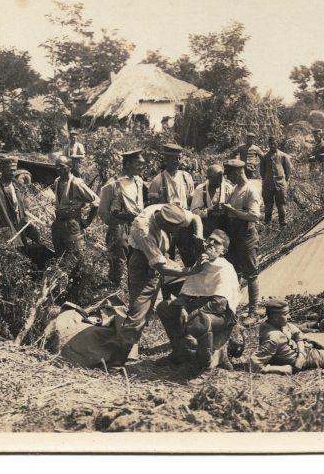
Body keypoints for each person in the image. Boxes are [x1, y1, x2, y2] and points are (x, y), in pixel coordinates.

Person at [107, 204, 206, 366]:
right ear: (162, 224)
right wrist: (191, 270)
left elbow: (195, 218)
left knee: (195, 290)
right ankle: (117, 362)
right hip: (143, 265)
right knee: (138, 316)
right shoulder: (144, 230)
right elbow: (162, 269)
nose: (175, 233)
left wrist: (199, 238)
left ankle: (183, 345)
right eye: (173, 230)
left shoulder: (171, 212)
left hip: (162, 258)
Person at [155, 229, 242, 372]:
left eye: (217, 242)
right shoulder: (200, 263)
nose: (211, 244)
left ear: (223, 251)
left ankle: (204, 363)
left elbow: (219, 305)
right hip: (200, 309)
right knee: (165, 307)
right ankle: (180, 351)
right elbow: (186, 292)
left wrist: (191, 313)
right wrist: (183, 308)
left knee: (200, 319)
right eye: (210, 240)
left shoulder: (225, 268)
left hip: (220, 316)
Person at [97, 150, 147, 287]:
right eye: (138, 164)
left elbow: (140, 206)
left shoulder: (138, 181)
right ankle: (114, 294)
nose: (141, 167)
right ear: (128, 164)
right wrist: (115, 226)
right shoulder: (112, 184)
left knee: (135, 263)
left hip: (135, 227)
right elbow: (102, 211)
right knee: (117, 264)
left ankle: (131, 293)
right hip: (118, 228)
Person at [221, 159, 263, 322]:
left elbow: (254, 216)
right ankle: (232, 307)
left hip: (246, 234)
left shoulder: (250, 190)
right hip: (233, 234)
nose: (229, 178)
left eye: (230, 174)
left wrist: (232, 210)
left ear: (238, 172)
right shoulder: (234, 189)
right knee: (233, 271)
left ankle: (253, 311)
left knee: (251, 273)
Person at [148, 143, 198, 266]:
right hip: (167, 224)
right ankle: (168, 283)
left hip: (184, 224)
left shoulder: (186, 177)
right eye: (173, 158)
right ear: (166, 159)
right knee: (166, 257)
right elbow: (152, 207)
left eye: (178, 158)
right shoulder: (157, 181)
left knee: (189, 257)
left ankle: (190, 282)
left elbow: (191, 199)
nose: (176, 161)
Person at [51, 155, 99, 257]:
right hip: (58, 223)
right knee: (60, 256)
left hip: (71, 224)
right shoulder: (57, 181)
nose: (58, 168)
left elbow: (96, 201)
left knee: (75, 256)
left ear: (70, 167)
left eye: (61, 166)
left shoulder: (76, 183)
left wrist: (87, 221)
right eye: (56, 166)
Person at [190, 164, 233, 236]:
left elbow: (234, 208)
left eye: (220, 180)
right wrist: (210, 210)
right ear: (208, 178)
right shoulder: (200, 190)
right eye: (215, 181)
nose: (219, 183)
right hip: (207, 229)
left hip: (224, 229)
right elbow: (193, 213)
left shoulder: (228, 188)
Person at [260, 136, 293, 225]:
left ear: (277, 144)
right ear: (268, 145)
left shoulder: (283, 156)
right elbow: (262, 171)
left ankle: (283, 222)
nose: (272, 145)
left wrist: (285, 181)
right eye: (270, 144)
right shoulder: (264, 157)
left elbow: (288, 170)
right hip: (268, 184)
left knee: (281, 203)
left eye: (274, 143)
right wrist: (266, 179)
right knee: (268, 204)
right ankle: (267, 223)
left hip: (280, 184)